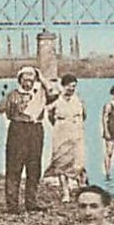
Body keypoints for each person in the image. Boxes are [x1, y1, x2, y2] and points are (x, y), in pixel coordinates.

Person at [0, 66, 55, 213]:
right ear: (19, 80)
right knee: (14, 167)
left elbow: (54, 92)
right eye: (25, 79)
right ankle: (12, 204)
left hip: (35, 130)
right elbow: (0, 110)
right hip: (18, 129)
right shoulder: (12, 95)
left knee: (34, 167)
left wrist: (42, 77)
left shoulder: (40, 94)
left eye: (31, 79)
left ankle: (31, 202)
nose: (28, 82)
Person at [46, 74, 88, 203]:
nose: (71, 89)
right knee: (61, 161)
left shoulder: (79, 99)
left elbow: (84, 115)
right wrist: (60, 125)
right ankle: (65, 192)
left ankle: (82, 187)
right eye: (69, 86)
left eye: (74, 86)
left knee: (78, 161)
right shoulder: (56, 99)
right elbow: (50, 115)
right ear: (63, 86)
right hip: (61, 132)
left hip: (76, 131)